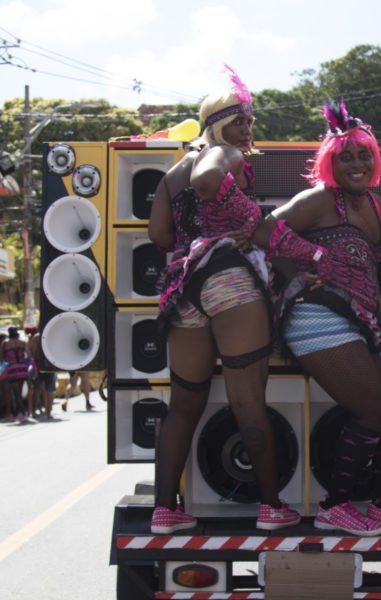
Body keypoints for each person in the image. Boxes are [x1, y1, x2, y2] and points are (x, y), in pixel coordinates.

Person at [252, 99, 381, 535]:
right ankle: (336, 506)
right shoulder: (319, 200)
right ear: (329, 163)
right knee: (372, 411)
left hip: (356, 326)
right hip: (314, 318)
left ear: (375, 160)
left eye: (363, 155)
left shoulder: (378, 209)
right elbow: (263, 234)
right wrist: (307, 260)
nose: (356, 163)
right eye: (345, 156)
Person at [147, 66, 299, 534]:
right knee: (248, 398)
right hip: (229, 282)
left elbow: (159, 236)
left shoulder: (168, 176)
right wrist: (248, 220)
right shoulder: (221, 153)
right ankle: (272, 507)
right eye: (240, 120)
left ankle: (164, 511)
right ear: (217, 123)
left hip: (182, 290)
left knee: (183, 405)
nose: (247, 130)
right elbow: (208, 181)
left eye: (250, 121)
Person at [0, 326, 32, 422]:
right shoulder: (23, 343)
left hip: (12, 368)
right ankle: (16, 414)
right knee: (19, 391)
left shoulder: (5, 343)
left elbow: (1, 356)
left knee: (16, 393)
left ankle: (22, 413)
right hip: (22, 367)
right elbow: (29, 355)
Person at [28, 328, 56, 419]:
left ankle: (34, 412)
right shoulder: (52, 335)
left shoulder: (37, 337)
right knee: (49, 389)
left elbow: (32, 353)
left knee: (37, 388)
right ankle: (48, 412)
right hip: (49, 363)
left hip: (39, 363)